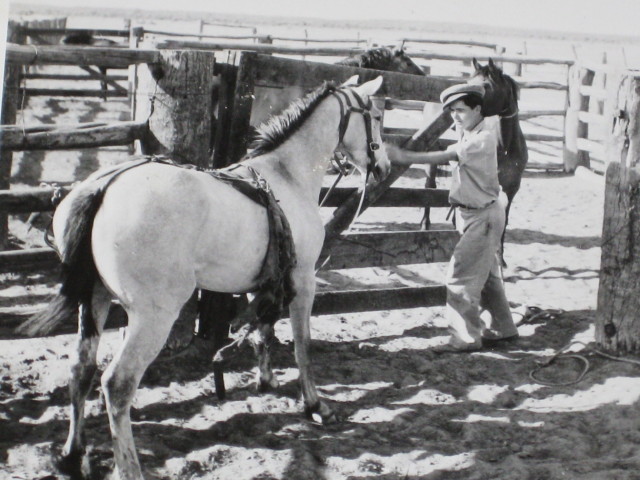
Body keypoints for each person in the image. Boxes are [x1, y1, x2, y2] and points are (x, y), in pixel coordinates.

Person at [385, 83, 519, 352]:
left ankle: (465, 339)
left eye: (461, 111)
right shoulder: (471, 131)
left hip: (482, 216)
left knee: (460, 277)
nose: (456, 117)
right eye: (452, 112)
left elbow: (447, 155)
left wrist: (404, 155)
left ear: (478, 109)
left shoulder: (484, 138)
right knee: (488, 276)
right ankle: (502, 328)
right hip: (476, 213)